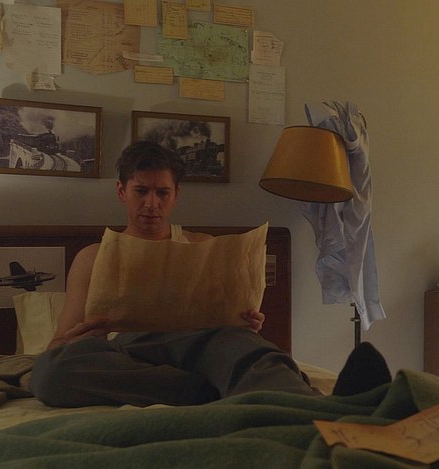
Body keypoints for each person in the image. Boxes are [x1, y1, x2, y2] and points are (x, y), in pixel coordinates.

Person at [30, 141, 389, 408]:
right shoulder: (93, 257)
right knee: (49, 373)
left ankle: (318, 412)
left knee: (247, 348)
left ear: (176, 195)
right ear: (122, 192)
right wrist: (79, 339)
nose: (151, 203)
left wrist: (247, 321)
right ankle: (217, 391)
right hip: (129, 354)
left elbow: (233, 321)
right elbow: (57, 346)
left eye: (162, 192)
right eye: (141, 191)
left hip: (203, 345)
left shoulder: (202, 247)